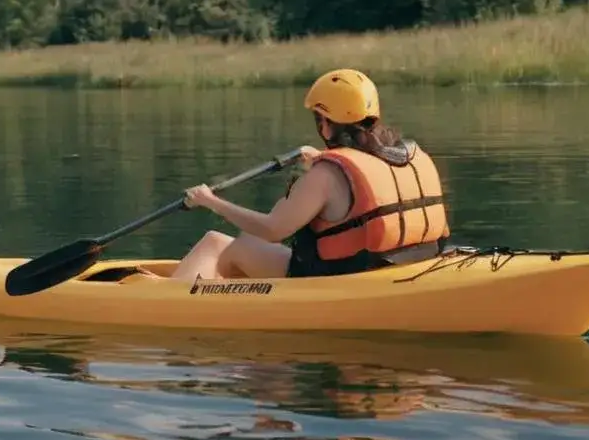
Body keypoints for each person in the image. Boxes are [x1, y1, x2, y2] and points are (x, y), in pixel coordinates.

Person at [165, 68, 450, 282]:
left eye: (318, 118)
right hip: (407, 264)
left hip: (339, 276)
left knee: (219, 242)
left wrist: (210, 200)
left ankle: (168, 306)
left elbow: (273, 230)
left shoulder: (325, 174)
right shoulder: (402, 155)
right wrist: (318, 165)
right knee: (244, 242)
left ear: (326, 124)